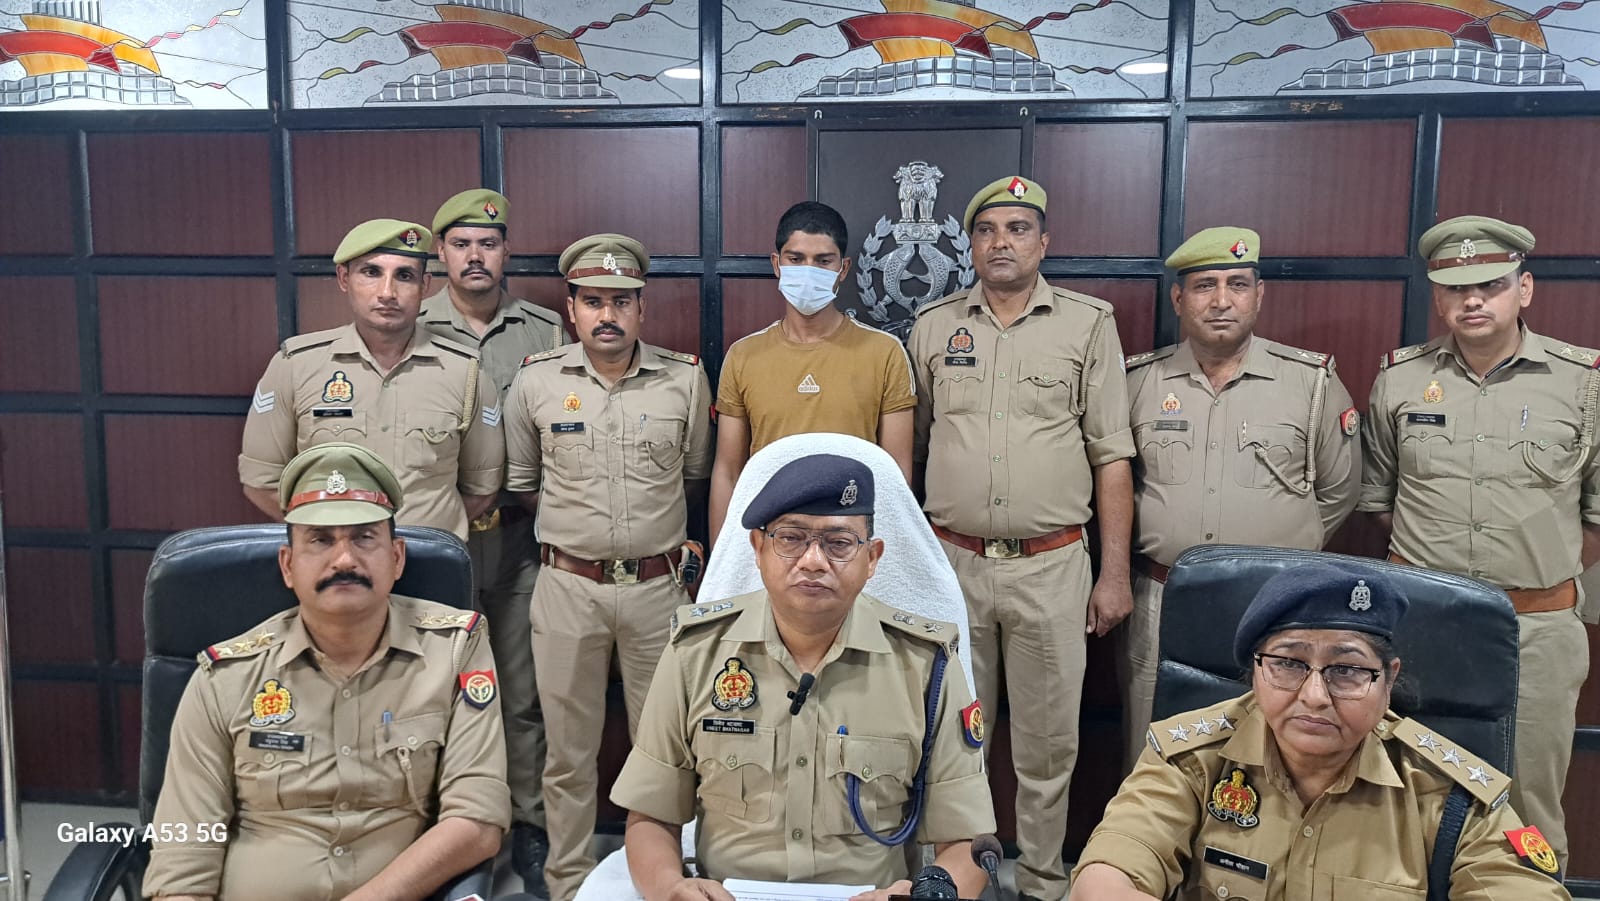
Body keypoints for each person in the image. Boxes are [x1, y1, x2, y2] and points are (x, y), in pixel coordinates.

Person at [611, 453, 996, 901]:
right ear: (758, 548)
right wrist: (670, 889)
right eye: (791, 539)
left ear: (872, 558)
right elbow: (651, 816)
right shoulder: (695, 653)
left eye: (838, 543)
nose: (813, 561)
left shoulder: (926, 667)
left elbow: (967, 841)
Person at [1070, 561, 1571, 900]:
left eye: (1346, 670)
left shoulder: (1452, 797)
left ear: (1388, 680)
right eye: (1288, 663)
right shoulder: (1191, 760)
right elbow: (1107, 875)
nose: (1314, 696)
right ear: (1255, 671)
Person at [144, 442, 510, 901]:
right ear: (288, 565)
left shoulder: (454, 649)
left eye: (364, 538)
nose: (344, 560)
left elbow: (476, 820)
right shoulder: (225, 676)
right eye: (320, 540)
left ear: (397, 557)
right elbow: (184, 858)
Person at [907, 175, 1134, 901]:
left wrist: (1114, 574)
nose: (1001, 242)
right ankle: (956, 879)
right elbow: (910, 450)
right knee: (949, 735)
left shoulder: (1087, 324)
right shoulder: (933, 325)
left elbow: (1112, 456)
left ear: (1044, 242)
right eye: (987, 230)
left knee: (1048, 743)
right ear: (970, 244)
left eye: (1017, 228)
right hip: (953, 563)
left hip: (1052, 565)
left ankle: (1040, 881)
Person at [1360, 215, 1600, 874]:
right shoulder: (1400, 378)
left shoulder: (1582, 381)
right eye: (1455, 288)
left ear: (1525, 288)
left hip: (1536, 631)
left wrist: (1530, 572)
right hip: (1423, 624)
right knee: (1408, 792)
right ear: (1437, 297)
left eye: (1490, 285)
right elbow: (1380, 501)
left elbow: (1596, 514)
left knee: (1529, 803)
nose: (1472, 300)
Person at [503, 233, 713, 901]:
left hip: (657, 589)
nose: (608, 315)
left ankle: (666, 880)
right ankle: (567, 880)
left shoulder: (684, 378)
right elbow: (524, 483)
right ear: (571, 309)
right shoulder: (536, 381)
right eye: (593, 301)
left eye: (622, 301)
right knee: (568, 752)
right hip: (568, 587)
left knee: (668, 752)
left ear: (642, 308)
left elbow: (695, 475)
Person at [1119, 227, 1360, 770]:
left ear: (1259, 295)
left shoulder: (1311, 382)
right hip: (1163, 596)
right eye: (1205, 285)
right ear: (1178, 298)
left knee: (1269, 751)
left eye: (1237, 284)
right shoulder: (1138, 381)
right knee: (1152, 747)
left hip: (1275, 603)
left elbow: (1339, 491)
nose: (1222, 300)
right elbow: (1118, 485)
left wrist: (1280, 548)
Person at [420, 187, 569, 891]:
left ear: (506, 251)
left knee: (521, 692)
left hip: (517, 540)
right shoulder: (412, 323)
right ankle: (435, 830)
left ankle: (529, 826)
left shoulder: (544, 330)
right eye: (460, 244)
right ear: (440, 253)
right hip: (434, 544)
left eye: (488, 242)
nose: (475, 256)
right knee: (425, 689)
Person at [239, 218, 504, 541]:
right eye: (371, 272)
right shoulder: (295, 366)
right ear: (344, 278)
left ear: (424, 285)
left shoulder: (466, 373)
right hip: (335, 563)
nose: (387, 292)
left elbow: (481, 489)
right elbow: (261, 483)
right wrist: (332, 540)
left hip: (430, 560)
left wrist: (421, 537)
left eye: (404, 276)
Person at [709, 201, 917, 543]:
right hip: (771, 541)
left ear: (843, 268)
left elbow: (895, 476)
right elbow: (727, 472)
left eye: (823, 261)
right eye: (796, 259)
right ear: (776, 264)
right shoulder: (743, 355)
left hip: (850, 543)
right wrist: (721, 561)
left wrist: (878, 555)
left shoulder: (885, 353)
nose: (808, 271)